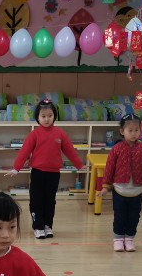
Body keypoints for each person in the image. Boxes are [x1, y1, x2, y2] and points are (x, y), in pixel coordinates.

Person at [7, 99, 85, 239]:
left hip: (54, 174)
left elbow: (70, 151)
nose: (47, 119)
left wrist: (80, 165)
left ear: (54, 116)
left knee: (50, 201)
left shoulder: (60, 133)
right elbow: (24, 152)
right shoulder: (34, 134)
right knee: (36, 200)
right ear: (38, 117)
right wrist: (16, 168)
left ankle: (48, 225)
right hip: (37, 173)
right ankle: (38, 226)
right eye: (43, 116)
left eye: (50, 115)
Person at [98, 114, 142, 252]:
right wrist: (105, 187)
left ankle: (129, 238)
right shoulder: (116, 149)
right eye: (130, 130)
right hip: (119, 190)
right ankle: (118, 239)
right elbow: (109, 168)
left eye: (136, 130)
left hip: (137, 191)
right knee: (119, 216)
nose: (134, 133)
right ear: (122, 131)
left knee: (134, 216)